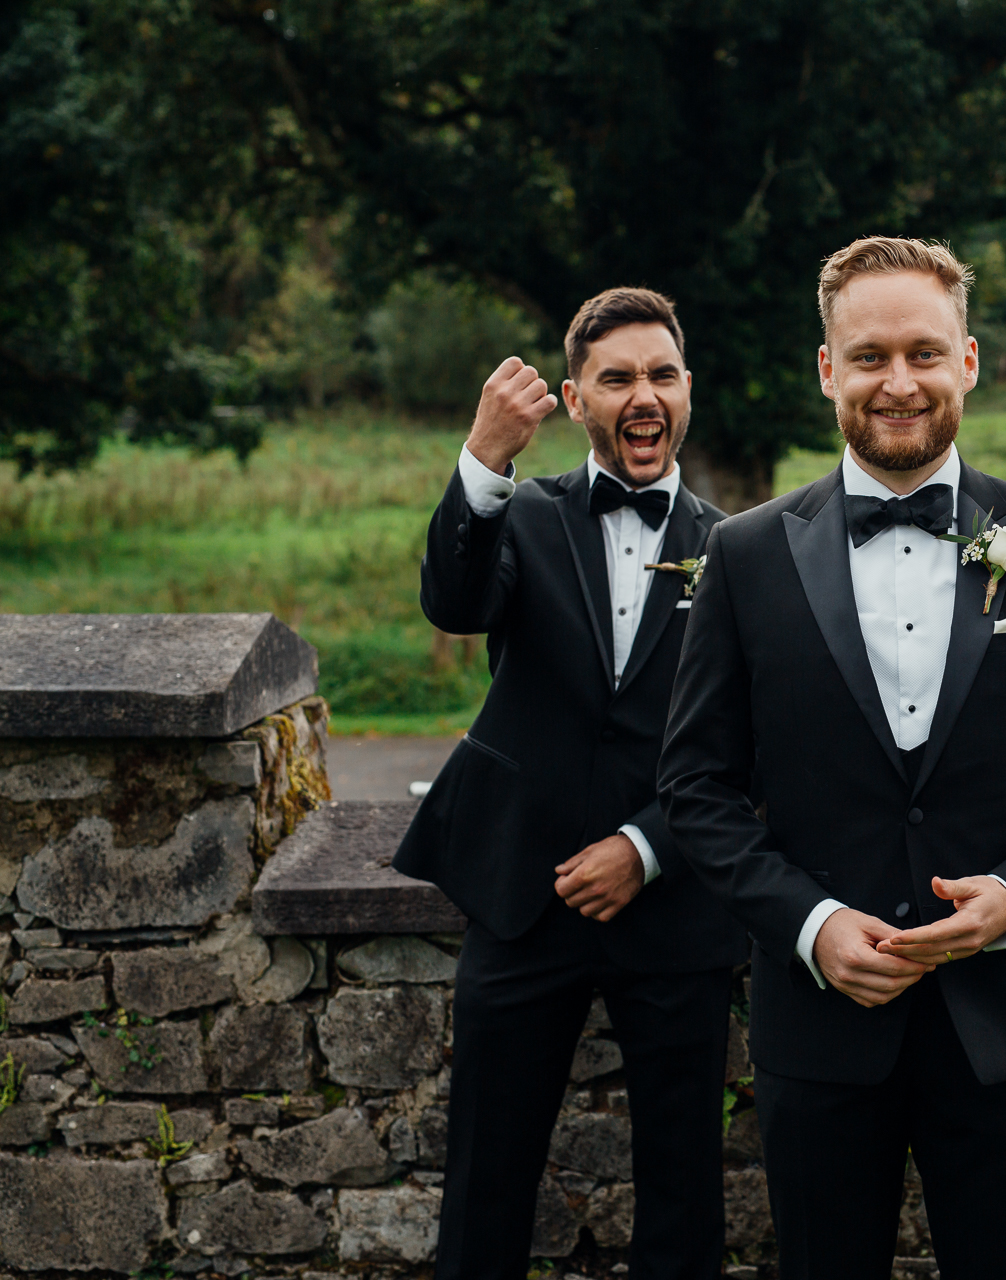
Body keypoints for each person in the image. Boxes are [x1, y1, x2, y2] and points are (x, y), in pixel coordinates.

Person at [659, 236, 1006, 1280]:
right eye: (870, 355)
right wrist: (810, 921)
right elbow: (696, 786)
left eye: (924, 353)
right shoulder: (746, 554)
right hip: (820, 1026)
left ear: (967, 361)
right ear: (828, 368)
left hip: (1005, 1025)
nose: (900, 382)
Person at [394, 286, 745, 1280]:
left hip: (675, 905)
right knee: (487, 1170)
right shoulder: (526, 513)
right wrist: (485, 457)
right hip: (521, 892)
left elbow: (747, 742)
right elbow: (455, 602)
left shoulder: (742, 549)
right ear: (575, 397)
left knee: (684, 1180)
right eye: (618, 376)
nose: (645, 394)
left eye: (662, 374)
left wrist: (645, 847)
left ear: (687, 390)